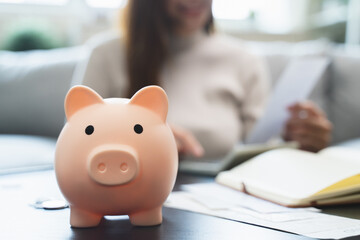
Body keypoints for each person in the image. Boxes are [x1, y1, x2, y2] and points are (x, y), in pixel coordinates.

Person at [73, 0, 332, 159]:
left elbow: (260, 148)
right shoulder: (105, 55)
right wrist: (142, 136)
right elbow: (74, 142)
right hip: (130, 197)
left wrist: (298, 143)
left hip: (223, 201)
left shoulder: (244, 60)